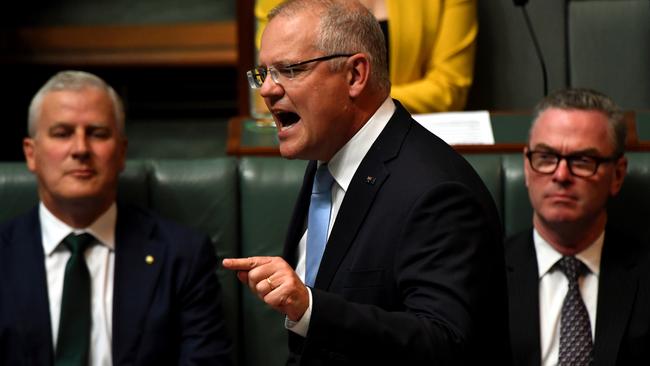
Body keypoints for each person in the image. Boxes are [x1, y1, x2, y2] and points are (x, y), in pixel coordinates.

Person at [223, 1, 509, 364]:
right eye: (264, 73)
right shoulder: (326, 159)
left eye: (290, 70)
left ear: (355, 75)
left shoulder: (438, 192)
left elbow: (443, 343)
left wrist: (311, 307)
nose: (266, 90)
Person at [0, 70, 232, 366]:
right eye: (62, 133)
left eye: (97, 133)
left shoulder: (182, 256)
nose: (81, 149)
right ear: (31, 153)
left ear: (121, 152)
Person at [505, 88, 650, 366]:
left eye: (583, 161)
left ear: (617, 175)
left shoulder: (644, 274)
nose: (561, 175)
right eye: (545, 158)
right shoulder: (481, 272)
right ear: (526, 167)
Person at [254, 0, 477, 114]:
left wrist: (339, 98)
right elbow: (271, 81)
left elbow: (449, 89)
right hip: (310, 142)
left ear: (357, 74)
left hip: (413, 137)